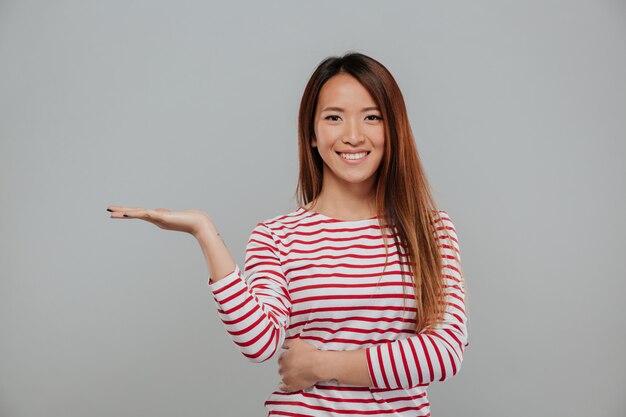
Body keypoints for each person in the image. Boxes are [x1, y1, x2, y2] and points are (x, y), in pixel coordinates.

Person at [107, 51, 468, 416]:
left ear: (393, 129)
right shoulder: (276, 236)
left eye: (372, 117)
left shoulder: (431, 230)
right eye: (334, 118)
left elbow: (445, 352)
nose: (354, 135)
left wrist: (321, 364)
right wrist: (204, 231)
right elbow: (260, 343)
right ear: (312, 134)